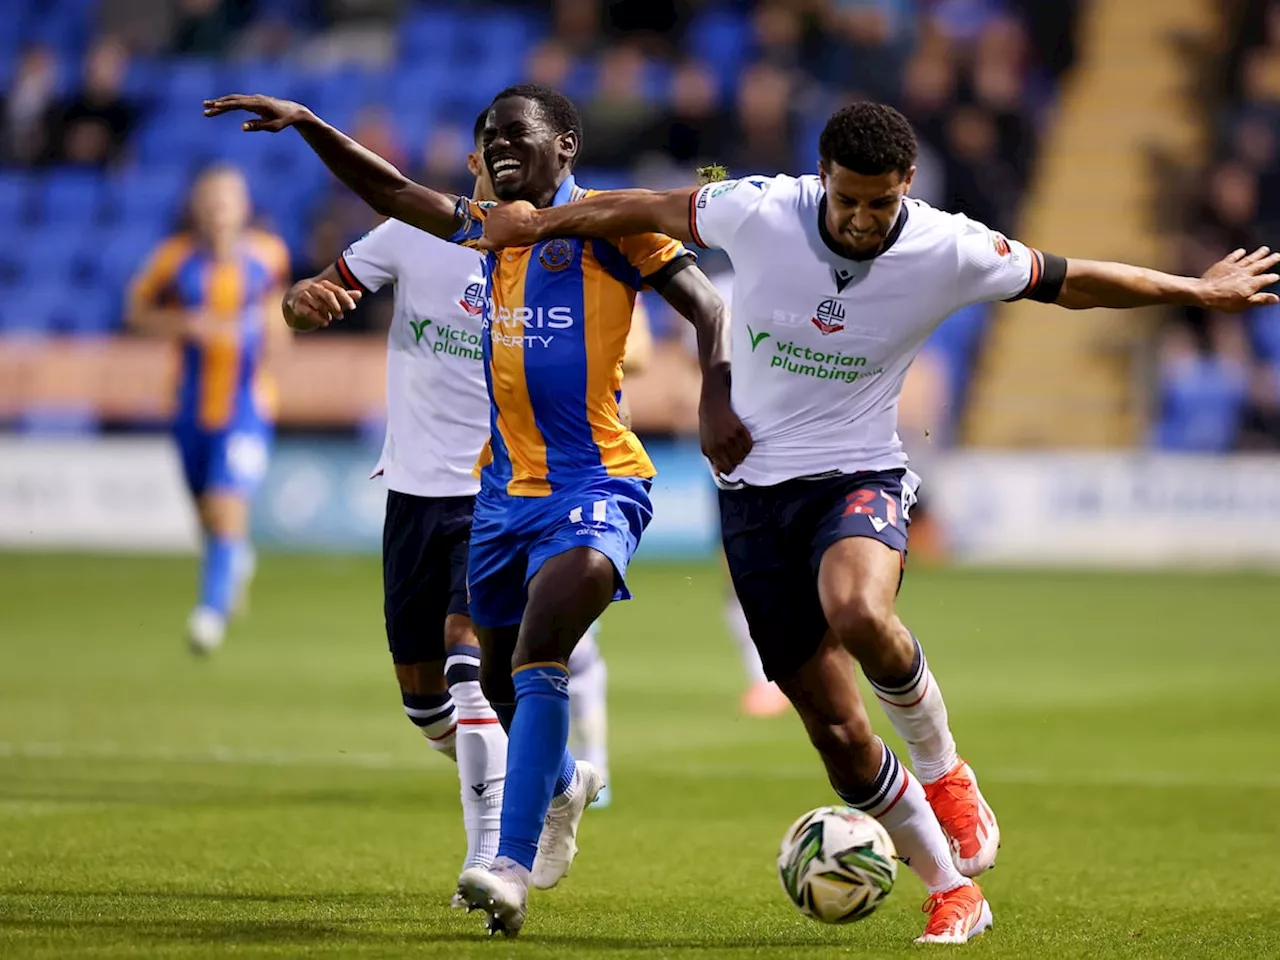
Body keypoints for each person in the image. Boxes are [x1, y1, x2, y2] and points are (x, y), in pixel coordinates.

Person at [474, 101, 1280, 944]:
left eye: (881, 203)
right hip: (753, 493)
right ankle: (950, 889)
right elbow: (636, 206)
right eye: (848, 200)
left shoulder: (947, 245)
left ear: (907, 187)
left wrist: (1193, 289)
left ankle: (945, 769)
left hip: (860, 473)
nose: (863, 219)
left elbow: (1067, 279)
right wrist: (538, 223)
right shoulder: (758, 207)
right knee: (837, 731)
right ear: (822, 180)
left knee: (858, 609)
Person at [204, 85, 750, 937]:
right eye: (487, 137)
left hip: (599, 484)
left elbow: (712, 306)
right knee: (484, 688)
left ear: (564, 144)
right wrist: (312, 125)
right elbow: (390, 194)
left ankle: (505, 863)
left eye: (516, 135)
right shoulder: (487, 228)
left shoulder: (615, 224)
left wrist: (715, 399)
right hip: (501, 495)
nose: (498, 147)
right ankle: (563, 779)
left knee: (533, 659)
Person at [127, 164, 291, 653]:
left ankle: (209, 616)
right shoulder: (174, 260)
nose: (220, 211)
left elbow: (279, 315)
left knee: (225, 508)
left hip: (246, 406)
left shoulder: (267, 256)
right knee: (207, 516)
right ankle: (232, 562)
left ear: (243, 208)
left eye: (228, 201)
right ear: (198, 209)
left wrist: (275, 343)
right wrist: (181, 324)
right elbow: (136, 312)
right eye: (211, 202)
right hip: (191, 407)